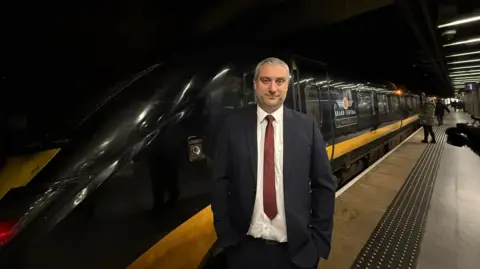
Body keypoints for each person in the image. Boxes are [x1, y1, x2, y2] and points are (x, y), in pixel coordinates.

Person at [211, 57, 336, 269]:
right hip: (244, 250)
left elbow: (324, 185)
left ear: (288, 85)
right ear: (255, 84)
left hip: (297, 253)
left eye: (280, 81)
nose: (273, 88)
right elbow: (219, 182)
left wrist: (318, 242)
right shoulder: (233, 126)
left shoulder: (307, 127)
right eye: (266, 80)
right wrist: (226, 235)